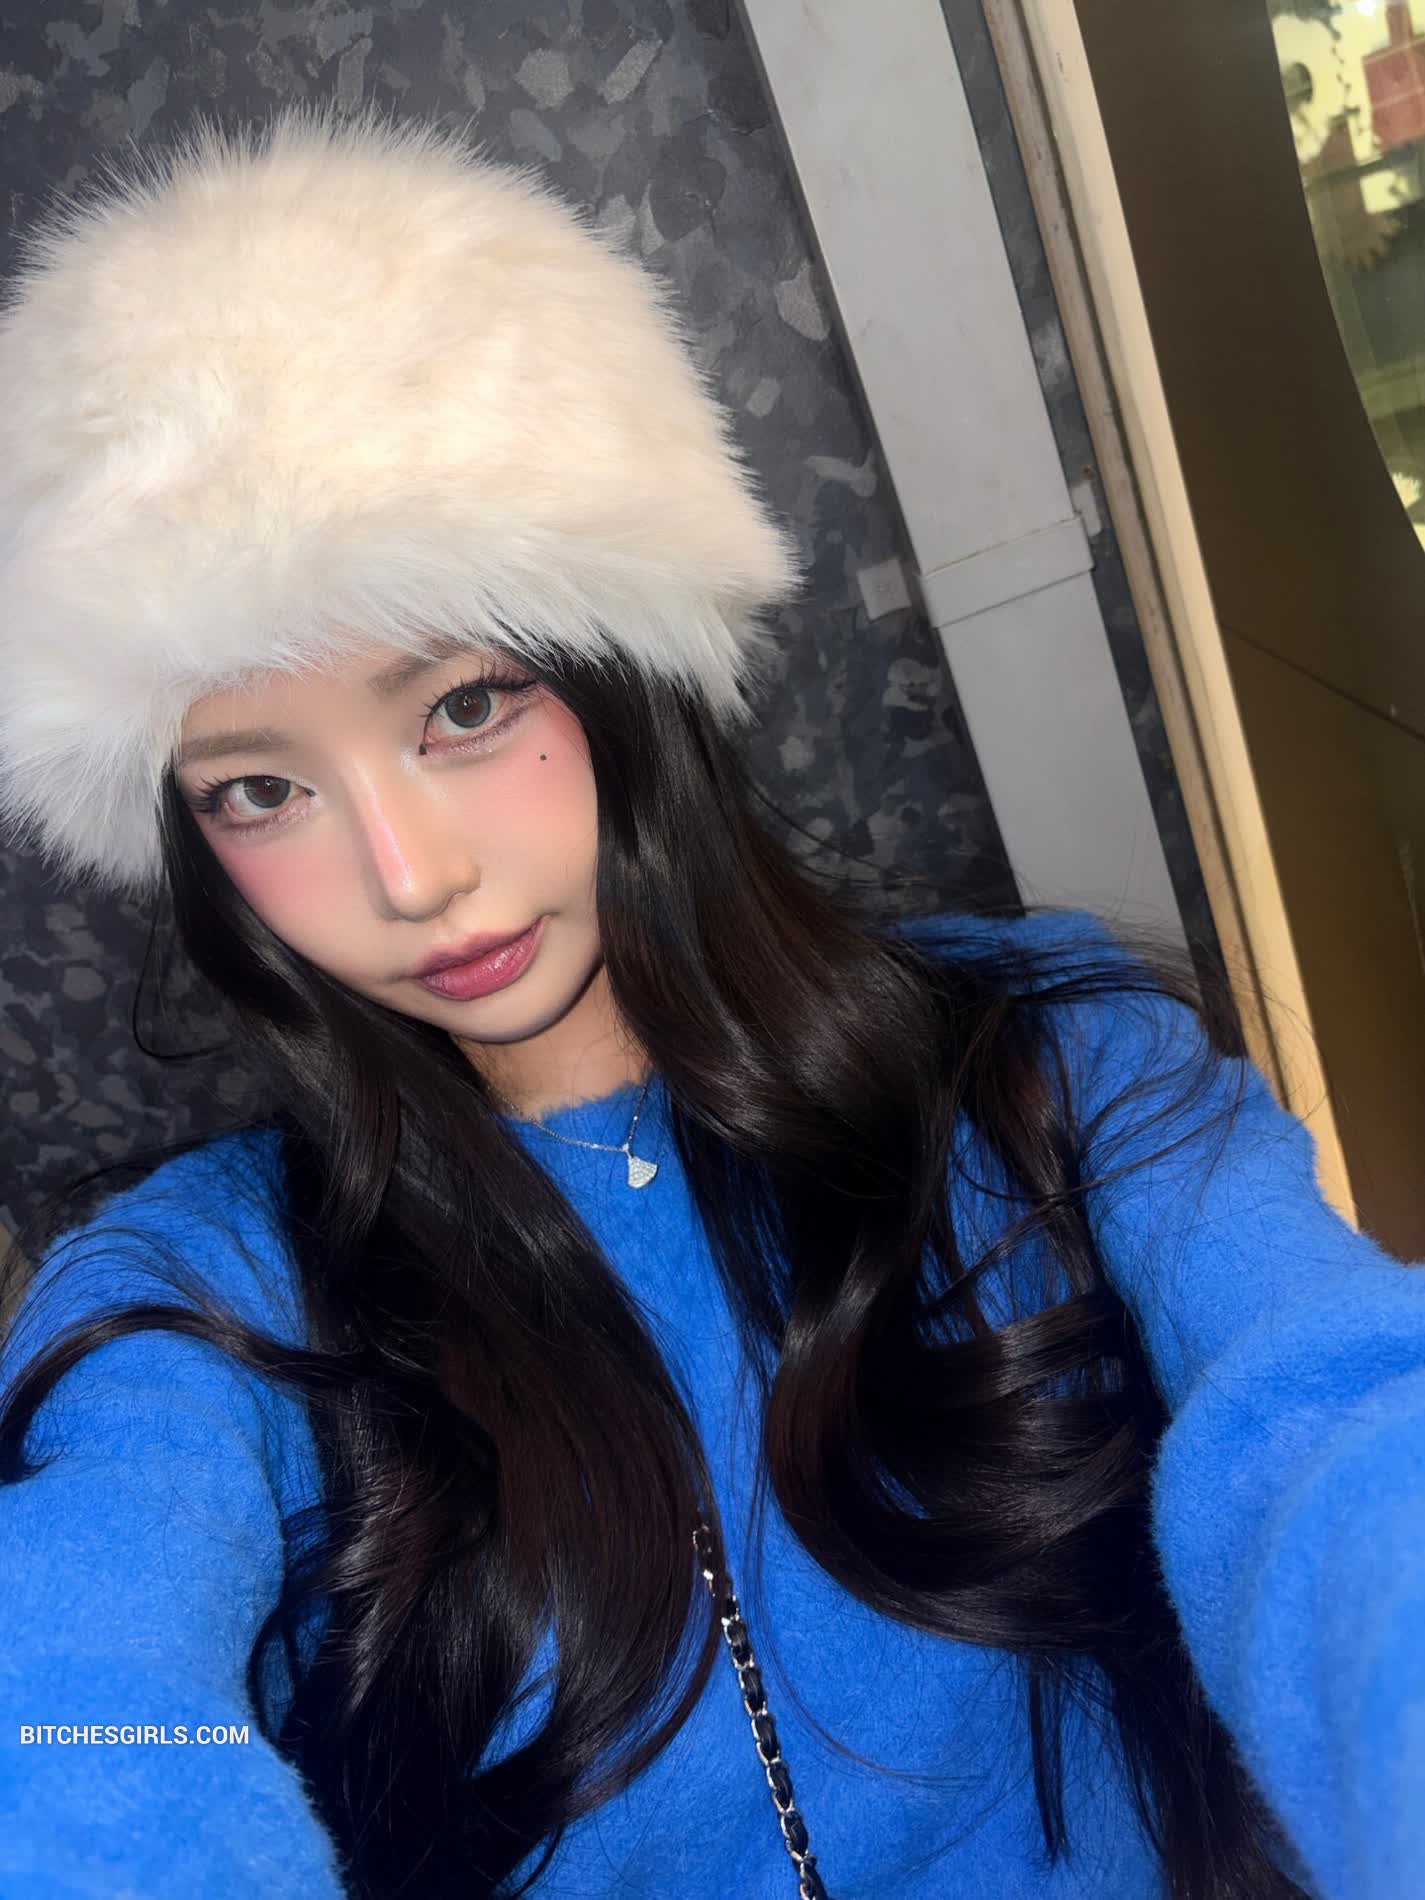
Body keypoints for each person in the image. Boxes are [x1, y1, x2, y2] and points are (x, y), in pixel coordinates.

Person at [0, 99, 1419, 1900]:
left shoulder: (1044, 1063)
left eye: (463, 708)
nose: (409, 877)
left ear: (627, 670)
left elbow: (1335, 1421)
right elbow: (72, 1706)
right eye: (260, 790)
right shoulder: (210, 1287)